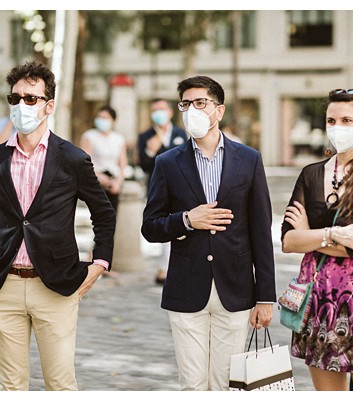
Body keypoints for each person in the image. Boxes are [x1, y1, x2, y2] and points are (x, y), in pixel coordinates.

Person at [0, 61, 116, 390]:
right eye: (15, 98)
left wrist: (100, 263)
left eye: (31, 98)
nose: (22, 105)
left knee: (60, 385)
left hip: (56, 286)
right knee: (9, 386)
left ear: (49, 106)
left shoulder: (73, 159)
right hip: (3, 285)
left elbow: (104, 212)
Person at [141, 76, 276, 391]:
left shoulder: (249, 159)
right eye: (186, 104)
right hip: (186, 288)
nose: (191, 110)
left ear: (219, 111)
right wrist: (188, 220)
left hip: (236, 287)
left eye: (200, 103)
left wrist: (265, 296)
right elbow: (150, 227)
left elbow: (260, 229)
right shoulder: (167, 163)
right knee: (193, 384)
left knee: (226, 384)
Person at [281, 88, 353, 390]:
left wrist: (310, 235)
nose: (338, 127)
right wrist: (332, 234)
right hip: (316, 295)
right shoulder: (310, 175)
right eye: (331, 120)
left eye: (347, 120)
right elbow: (288, 241)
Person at [138, 98, 187, 285]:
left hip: (180, 186)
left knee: (176, 224)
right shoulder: (145, 137)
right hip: (156, 186)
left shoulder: (180, 133)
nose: (158, 113)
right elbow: (143, 165)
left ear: (170, 112)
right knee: (161, 225)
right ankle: (163, 267)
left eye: (162, 109)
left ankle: (166, 268)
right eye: (155, 110)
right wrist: (151, 152)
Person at [79, 105, 128, 212]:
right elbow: (84, 162)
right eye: (99, 117)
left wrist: (118, 182)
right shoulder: (90, 136)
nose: (101, 120)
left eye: (105, 118)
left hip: (114, 182)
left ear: (113, 120)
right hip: (96, 181)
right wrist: (101, 179)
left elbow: (123, 163)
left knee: (112, 215)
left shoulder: (119, 139)